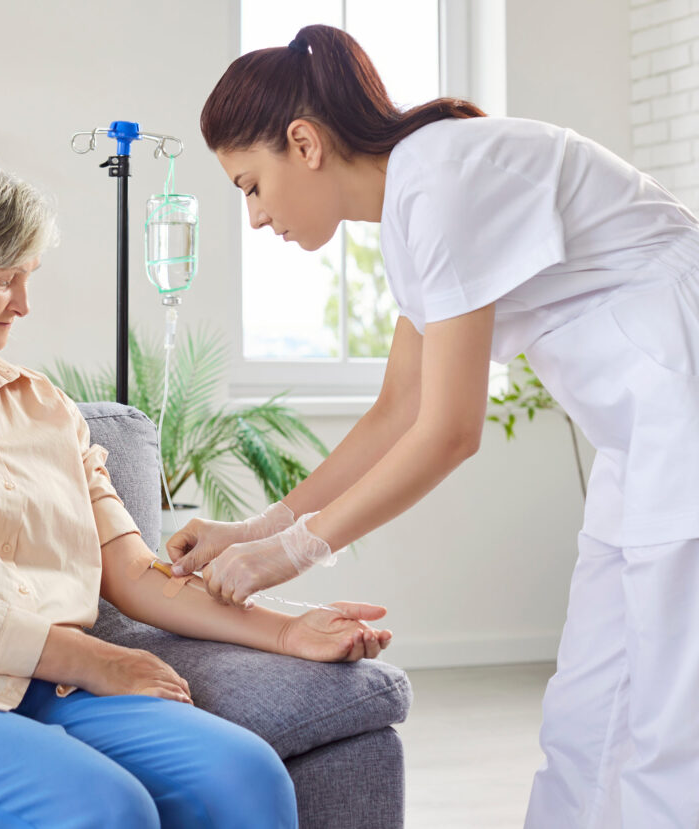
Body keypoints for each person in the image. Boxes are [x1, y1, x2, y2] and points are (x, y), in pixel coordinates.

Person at [166, 22, 699, 829]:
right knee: (591, 709)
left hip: (682, 418)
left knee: (670, 727)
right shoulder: (417, 196)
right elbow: (397, 410)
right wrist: (258, 527)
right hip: (645, 439)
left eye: (249, 185)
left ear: (302, 143)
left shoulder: (439, 182)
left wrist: (292, 551)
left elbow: (451, 429)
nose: (255, 216)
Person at [0, 155, 392, 829]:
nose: (24, 303)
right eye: (3, 280)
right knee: (106, 806)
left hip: (50, 687)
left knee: (244, 774)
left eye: (27, 277)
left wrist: (289, 629)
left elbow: (134, 573)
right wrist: (94, 658)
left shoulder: (47, 408)